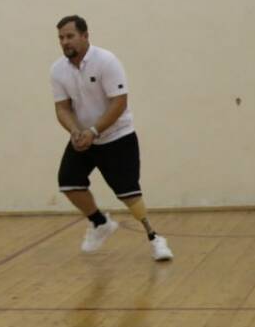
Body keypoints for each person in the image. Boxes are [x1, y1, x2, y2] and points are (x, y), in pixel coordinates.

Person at [50, 16, 173, 261]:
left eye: (70, 36)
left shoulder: (106, 61)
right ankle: (100, 223)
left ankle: (155, 238)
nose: (65, 42)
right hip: (85, 139)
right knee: (68, 182)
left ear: (85, 36)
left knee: (128, 192)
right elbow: (62, 108)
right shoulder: (57, 70)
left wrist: (93, 131)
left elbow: (119, 102)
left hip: (118, 137)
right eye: (61, 38)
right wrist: (75, 131)